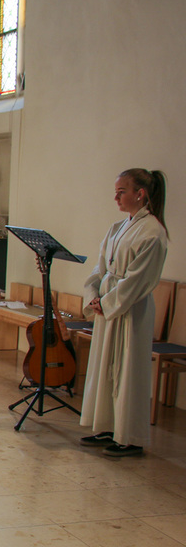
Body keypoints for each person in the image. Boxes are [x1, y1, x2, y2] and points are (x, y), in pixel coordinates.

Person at [80, 168, 168, 457]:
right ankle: (108, 427)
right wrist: (94, 296)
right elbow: (100, 267)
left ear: (140, 194)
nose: (116, 197)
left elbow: (138, 280)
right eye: (116, 192)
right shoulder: (117, 227)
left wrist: (107, 302)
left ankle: (131, 437)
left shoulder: (153, 231)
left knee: (127, 371)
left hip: (131, 310)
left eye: (121, 192)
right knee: (105, 367)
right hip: (108, 307)